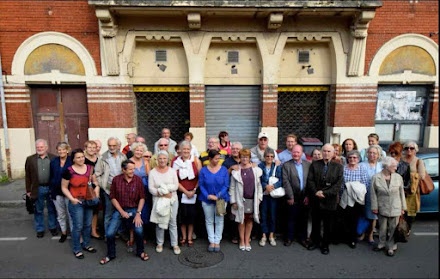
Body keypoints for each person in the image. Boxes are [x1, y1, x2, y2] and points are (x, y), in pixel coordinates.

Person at [99, 160, 149, 264]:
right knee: (109, 233)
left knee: (139, 231)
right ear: (123, 170)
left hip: (135, 209)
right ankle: (110, 255)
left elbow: (142, 198)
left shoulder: (138, 180)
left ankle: (140, 252)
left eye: (133, 169)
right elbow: (112, 197)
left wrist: (138, 214)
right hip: (120, 209)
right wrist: (121, 212)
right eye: (130, 169)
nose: (133, 171)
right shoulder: (116, 180)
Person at [61, 148, 100, 259]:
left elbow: (95, 181)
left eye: (82, 156)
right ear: (73, 159)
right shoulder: (68, 171)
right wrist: (71, 199)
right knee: (78, 226)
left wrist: (96, 187)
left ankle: (87, 244)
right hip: (76, 201)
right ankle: (77, 249)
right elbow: (63, 187)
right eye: (78, 157)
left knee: (87, 224)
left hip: (88, 200)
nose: (81, 159)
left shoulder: (89, 168)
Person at [306, 144, 343, 255]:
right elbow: (310, 180)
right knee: (316, 223)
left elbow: (337, 185)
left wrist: (325, 193)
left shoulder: (338, 167)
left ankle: (325, 245)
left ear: (333, 153)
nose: (326, 153)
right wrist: (316, 192)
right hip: (316, 199)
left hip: (329, 200)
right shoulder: (315, 164)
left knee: (327, 225)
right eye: (325, 151)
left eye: (329, 151)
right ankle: (315, 242)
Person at [371, 156, 407, 257]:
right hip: (382, 206)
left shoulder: (398, 177)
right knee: (382, 227)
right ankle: (381, 243)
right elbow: (373, 194)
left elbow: (401, 193)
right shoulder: (376, 177)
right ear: (387, 166)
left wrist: (403, 208)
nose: (396, 168)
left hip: (396, 206)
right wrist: (374, 207)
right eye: (394, 166)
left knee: (393, 228)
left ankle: (391, 246)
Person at [230, 149, 263, 252]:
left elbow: (259, 185)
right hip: (240, 200)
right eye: (242, 157)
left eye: (246, 157)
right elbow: (232, 187)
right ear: (240, 158)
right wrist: (233, 201)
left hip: (252, 199)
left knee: (249, 219)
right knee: (241, 219)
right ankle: (242, 241)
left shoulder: (256, 170)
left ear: (249, 158)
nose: (244, 159)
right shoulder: (236, 171)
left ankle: (247, 240)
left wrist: (259, 199)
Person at [149, 150, 181, 255]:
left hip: (172, 200)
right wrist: (162, 194)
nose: (162, 160)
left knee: (172, 221)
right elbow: (151, 188)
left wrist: (165, 190)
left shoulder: (172, 171)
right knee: (159, 222)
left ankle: (174, 244)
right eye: (160, 158)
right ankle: (159, 243)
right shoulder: (152, 172)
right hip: (158, 200)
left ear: (168, 160)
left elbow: (176, 186)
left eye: (164, 158)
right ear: (157, 160)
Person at [95, 137, 127, 236]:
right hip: (108, 189)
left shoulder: (123, 156)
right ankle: (108, 235)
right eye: (110, 145)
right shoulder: (103, 158)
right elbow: (97, 174)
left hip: (122, 189)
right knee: (108, 213)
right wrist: (103, 185)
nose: (112, 147)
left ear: (118, 146)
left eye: (114, 145)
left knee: (121, 211)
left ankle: (120, 232)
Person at [198, 149, 230, 252]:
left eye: (219, 158)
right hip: (206, 199)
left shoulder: (224, 169)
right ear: (210, 159)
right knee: (209, 220)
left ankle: (217, 241)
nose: (218, 160)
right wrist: (208, 196)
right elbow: (201, 185)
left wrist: (218, 195)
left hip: (221, 199)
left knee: (219, 220)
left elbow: (226, 185)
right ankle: (211, 240)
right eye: (216, 159)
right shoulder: (203, 170)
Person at [172, 141, 202, 247]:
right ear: (179, 150)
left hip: (193, 192)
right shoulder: (175, 162)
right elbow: (174, 179)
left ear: (190, 150)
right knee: (182, 216)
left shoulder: (196, 160)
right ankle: (183, 237)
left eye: (187, 149)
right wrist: (185, 191)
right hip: (181, 192)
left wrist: (193, 190)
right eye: (183, 149)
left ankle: (190, 237)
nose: (185, 151)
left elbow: (200, 177)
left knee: (192, 216)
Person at [25, 139, 57, 238]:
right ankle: (40, 229)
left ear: (46, 147)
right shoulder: (30, 159)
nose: (39, 149)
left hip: (51, 188)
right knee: (38, 210)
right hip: (37, 188)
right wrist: (28, 190)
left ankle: (53, 227)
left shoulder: (54, 158)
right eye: (38, 147)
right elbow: (27, 176)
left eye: (41, 147)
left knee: (52, 209)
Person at [339, 150, 369, 249]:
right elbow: (340, 184)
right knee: (344, 218)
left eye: (354, 158)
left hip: (357, 199)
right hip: (345, 197)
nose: (352, 159)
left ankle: (352, 239)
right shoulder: (343, 169)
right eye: (350, 157)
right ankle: (344, 237)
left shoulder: (362, 169)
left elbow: (365, 184)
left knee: (354, 219)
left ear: (358, 159)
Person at [282, 144, 311, 248]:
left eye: (298, 152)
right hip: (293, 195)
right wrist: (290, 197)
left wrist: (308, 195)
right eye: (294, 152)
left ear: (302, 153)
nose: (296, 154)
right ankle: (289, 238)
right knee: (291, 218)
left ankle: (303, 238)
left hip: (305, 196)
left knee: (304, 218)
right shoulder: (286, 165)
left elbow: (310, 181)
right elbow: (286, 182)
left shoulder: (308, 164)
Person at [127, 142, 150, 252]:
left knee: (143, 213)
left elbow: (149, 175)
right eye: (137, 150)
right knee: (132, 212)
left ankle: (142, 235)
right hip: (131, 190)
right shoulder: (128, 162)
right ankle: (131, 236)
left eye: (141, 151)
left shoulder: (145, 162)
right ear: (133, 150)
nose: (139, 152)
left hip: (143, 190)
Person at [359, 145, 384, 245]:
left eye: (374, 153)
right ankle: (362, 233)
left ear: (378, 155)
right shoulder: (361, 165)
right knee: (363, 214)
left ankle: (370, 235)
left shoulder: (381, 166)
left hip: (376, 194)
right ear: (367, 154)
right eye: (370, 153)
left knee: (373, 215)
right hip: (363, 193)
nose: (372, 155)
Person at [258, 148, 282, 247]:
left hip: (273, 194)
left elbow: (281, 180)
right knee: (263, 215)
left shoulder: (277, 166)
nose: (269, 158)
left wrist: (272, 187)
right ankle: (263, 235)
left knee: (272, 215)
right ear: (264, 157)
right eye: (267, 156)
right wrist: (265, 186)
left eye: (272, 156)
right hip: (263, 195)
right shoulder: (260, 166)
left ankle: (271, 235)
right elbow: (258, 179)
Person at [49, 142, 73, 243]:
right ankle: (64, 233)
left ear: (67, 150)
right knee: (61, 214)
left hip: (69, 192)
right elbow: (51, 176)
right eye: (59, 150)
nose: (61, 151)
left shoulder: (72, 161)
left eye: (63, 149)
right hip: (56, 191)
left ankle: (73, 233)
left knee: (71, 213)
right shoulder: (53, 161)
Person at [402, 141, 425, 236]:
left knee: (410, 211)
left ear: (415, 150)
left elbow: (422, 176)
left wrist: (409, 176)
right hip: (401, 188)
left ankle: (408, 229)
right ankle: (400, 227)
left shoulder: (419, 161)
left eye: (411, 148)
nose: (409, 150)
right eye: (407, 148)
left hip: (412, 190)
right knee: (401, 210)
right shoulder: (401, 159)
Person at [222, 141, 242, 244]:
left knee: (241, 213)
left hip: (242, 192)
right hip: (229, 191)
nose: (235, 150)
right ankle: (232, 235)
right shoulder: (227, 161)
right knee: (230, 214)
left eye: (237, 149)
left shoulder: (245, 160)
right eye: (233, 149)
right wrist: (230, 169)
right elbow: (222, 176)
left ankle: (241, 236)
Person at [84, 140, 103, 240]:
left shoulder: (100, 159)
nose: (91, 149)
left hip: (97, 186)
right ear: (86, 149)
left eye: (93, 147)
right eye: (89, 147)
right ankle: (84, 232)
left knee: (95, 210)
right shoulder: (82, 159)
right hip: (85, 187)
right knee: (85, 210)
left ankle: (94, 231)